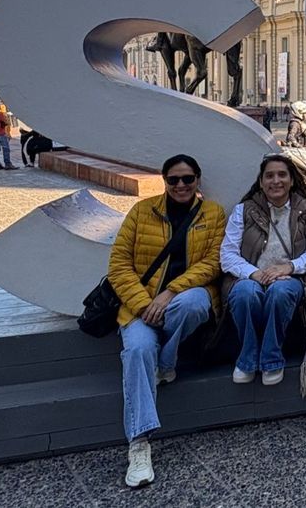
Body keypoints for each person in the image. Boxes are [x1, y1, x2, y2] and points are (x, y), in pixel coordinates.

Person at [106, 154, 227, 488]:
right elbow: (119, 265)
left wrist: (170, 292)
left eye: (187, 179)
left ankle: (165, 363)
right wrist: (144, 304)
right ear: (164, 181)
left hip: (180, 299)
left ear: (198, 180)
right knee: (137, 351)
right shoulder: (142, 211)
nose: (181, 185)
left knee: (194, 304)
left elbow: (212, 263)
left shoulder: (212, 213)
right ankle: (139, 444)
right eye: (173, 179)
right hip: (140, 307)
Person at [219, 154, 306, 387]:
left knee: (280, 292)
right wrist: (255, 273)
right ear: (261, 181)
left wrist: (289, 266)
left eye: (282, 175)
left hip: (289, 276)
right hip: (250, 276)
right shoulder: (243, 210)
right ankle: (247, 358)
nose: (276, 181)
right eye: (269, 176)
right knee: (245, 294)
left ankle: (271, 358)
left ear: (292, 180)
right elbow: (227, 255)